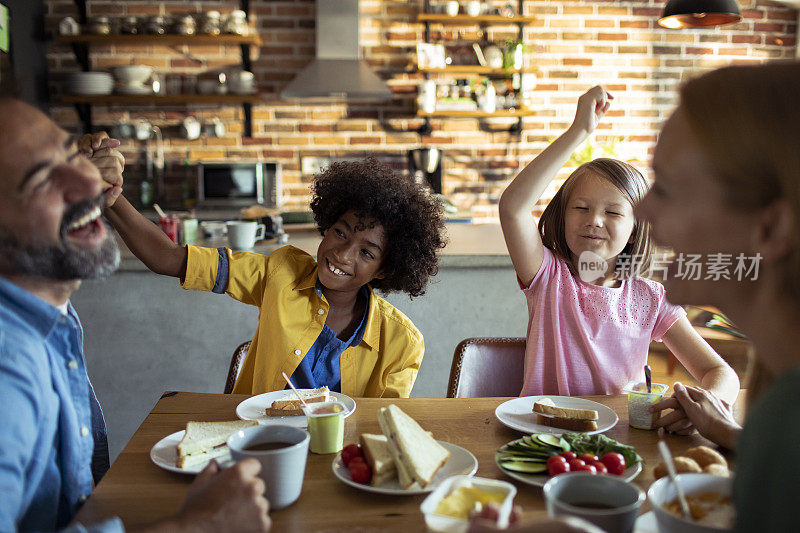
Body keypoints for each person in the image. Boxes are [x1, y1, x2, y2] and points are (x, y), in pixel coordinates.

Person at [0, 97, 271, 532]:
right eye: (40, 180)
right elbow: (169, 257)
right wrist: (198, 526)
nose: (90, 179)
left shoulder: (45, 321)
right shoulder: (7, 372)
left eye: (73, 157)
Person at [103, 158, 446, 397]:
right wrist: (110, 196)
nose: (343, 255)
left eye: (367, 253)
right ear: (325, 228)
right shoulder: (280, 273)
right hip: (257, 444)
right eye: (340, 233)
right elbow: (168, 258)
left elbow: (381, 432)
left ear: (385, 269)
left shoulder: (403, 344)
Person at [498, 86, 740, 415]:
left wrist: (704, 406)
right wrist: (579, 131)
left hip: (621, 440)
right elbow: (513, 207)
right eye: (580, 208)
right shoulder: (547, 276)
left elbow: (722, 374)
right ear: (562, 215)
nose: (594, 220)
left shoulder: (652, 298)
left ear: (634, 229)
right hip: (543, 435)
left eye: (612, 213)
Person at [636, 62, 800, 532]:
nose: (643, 208)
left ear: (770, 228)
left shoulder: (788, 424)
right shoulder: (777, 407)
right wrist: (733, 435)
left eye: (664, 187)